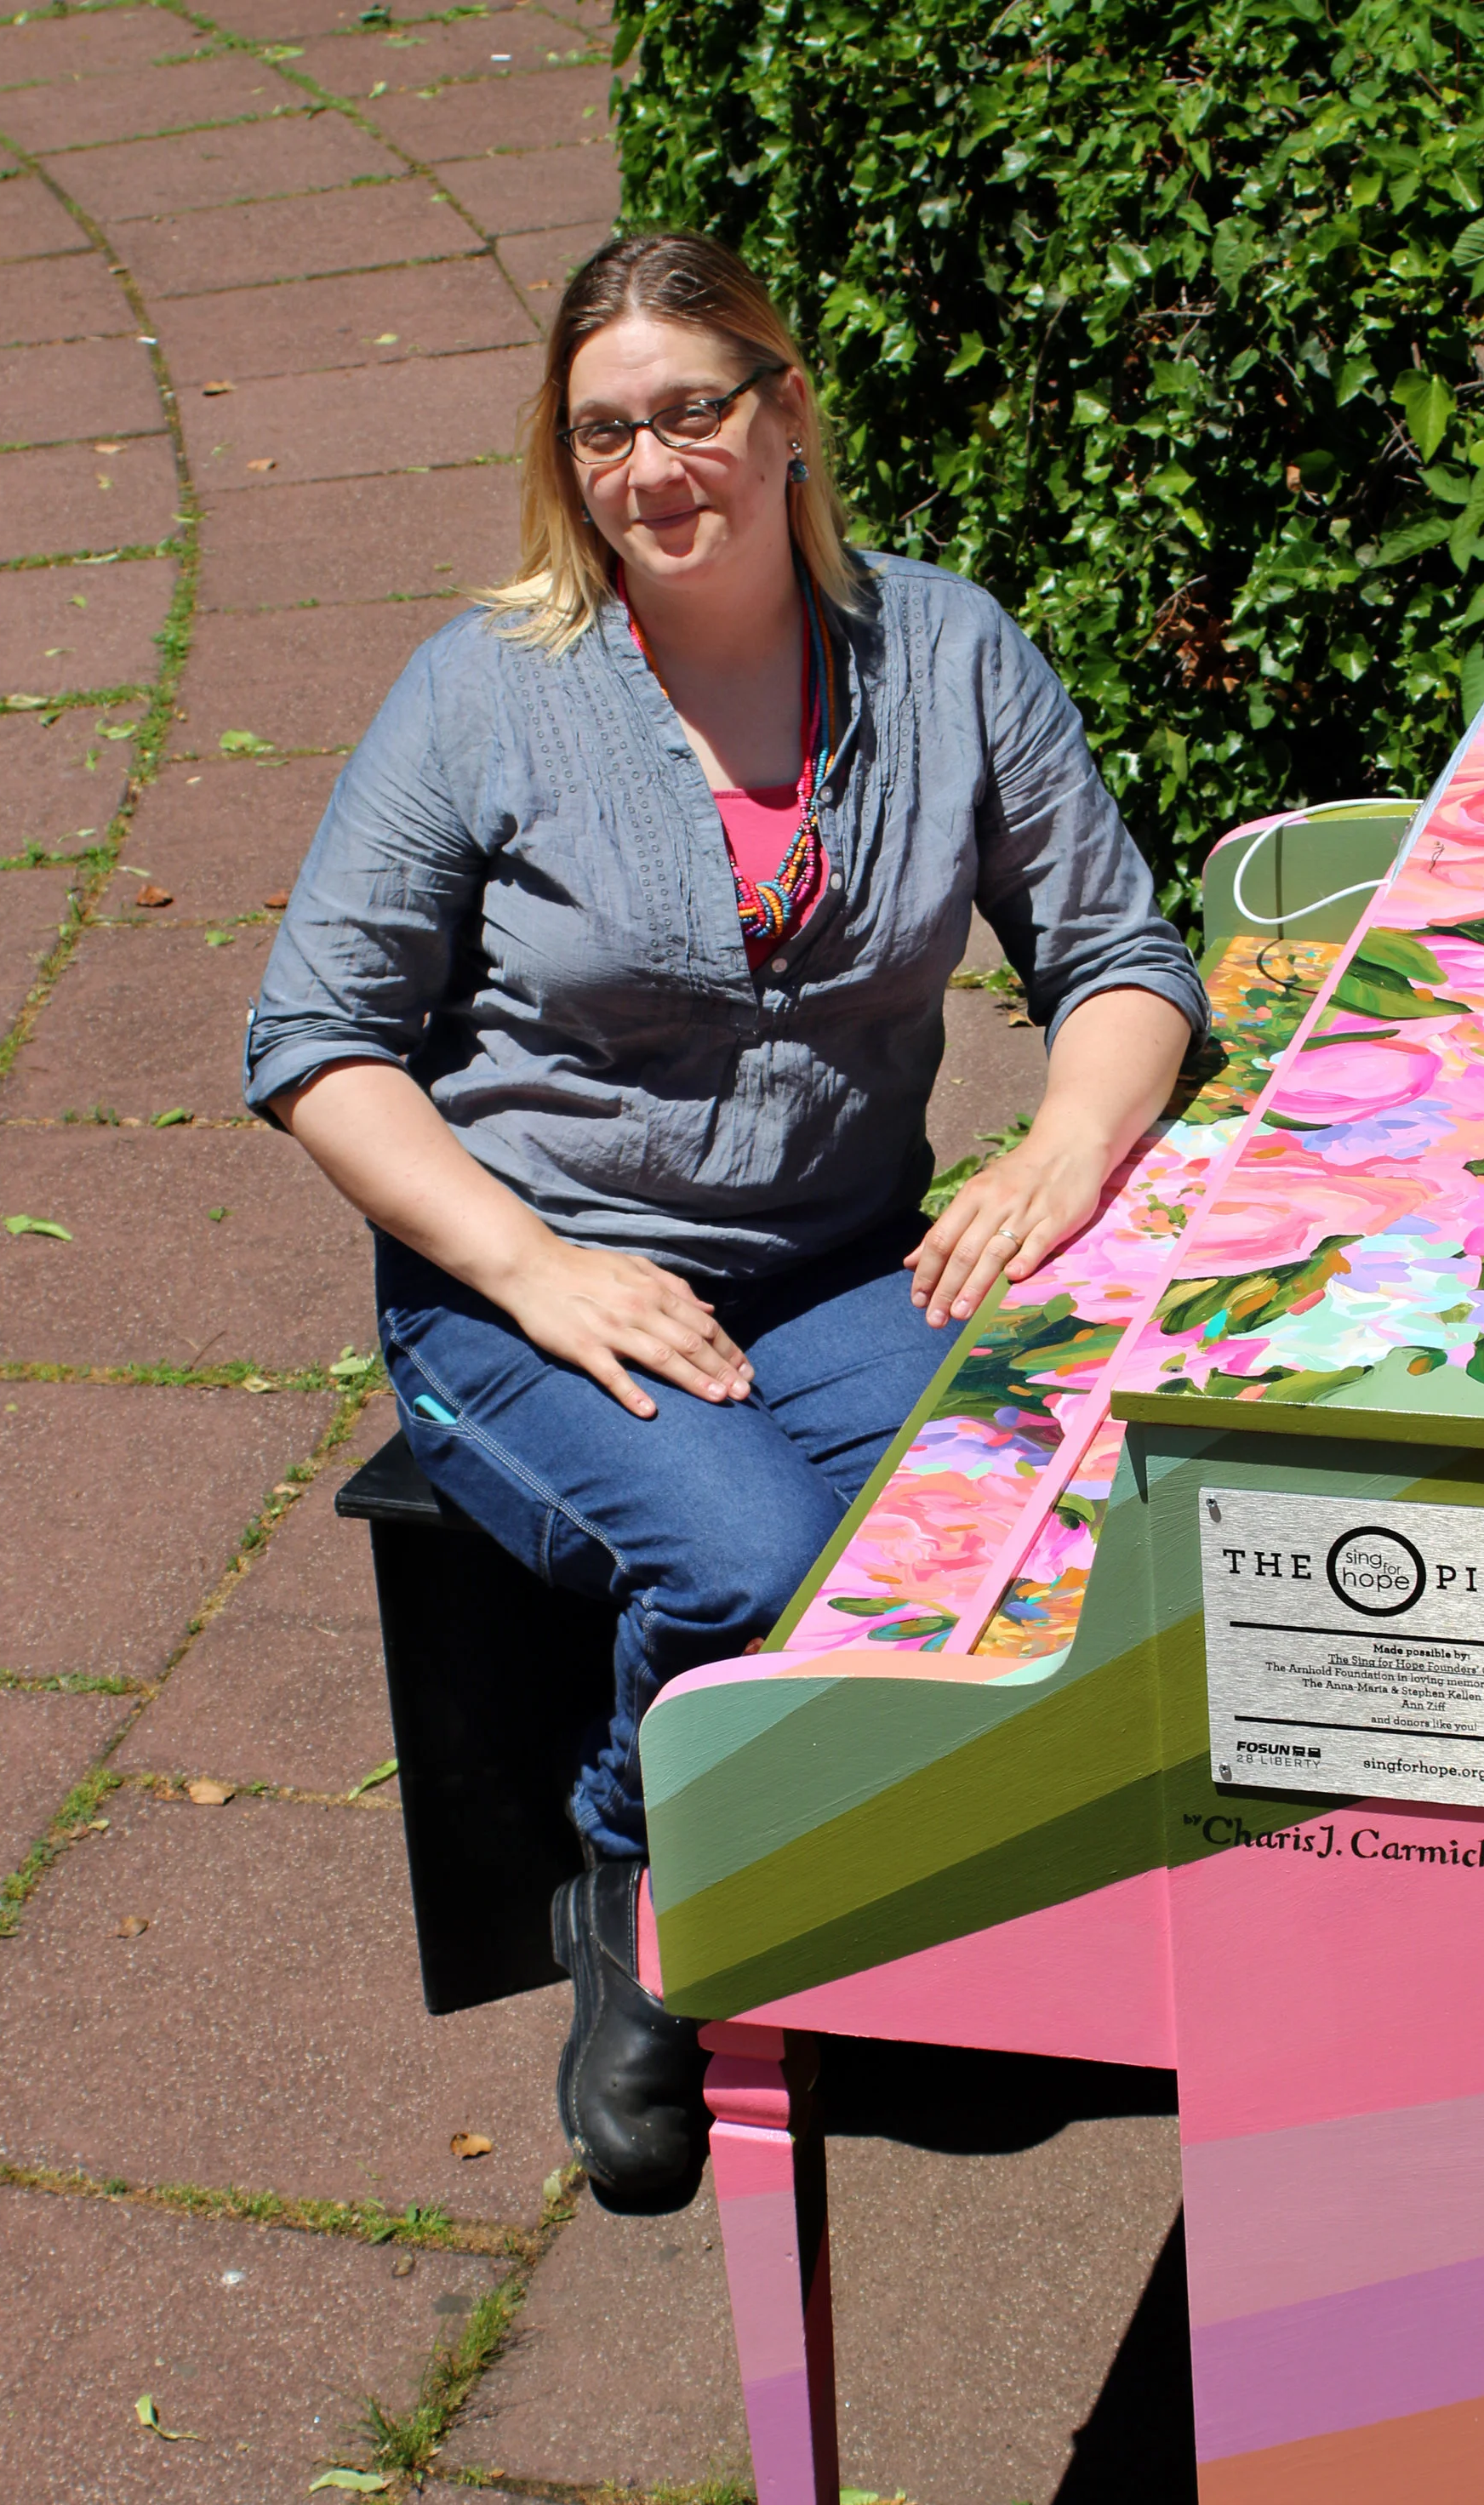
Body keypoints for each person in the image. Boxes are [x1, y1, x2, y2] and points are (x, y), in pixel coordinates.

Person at [245, 231, 1205, 2208]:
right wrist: (530, 1266)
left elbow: (1119, 950)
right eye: (601, 430)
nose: (648, 467)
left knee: (1063, 1501)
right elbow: (314, 1038)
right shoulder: (486, 694)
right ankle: (632, 1879)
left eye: (691, 410)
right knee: (761, 1558)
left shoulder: (944, 651)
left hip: (846, 1258)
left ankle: (940, 1908)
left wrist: (1054, 1149)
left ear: (784, 416)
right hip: (531, 1289)